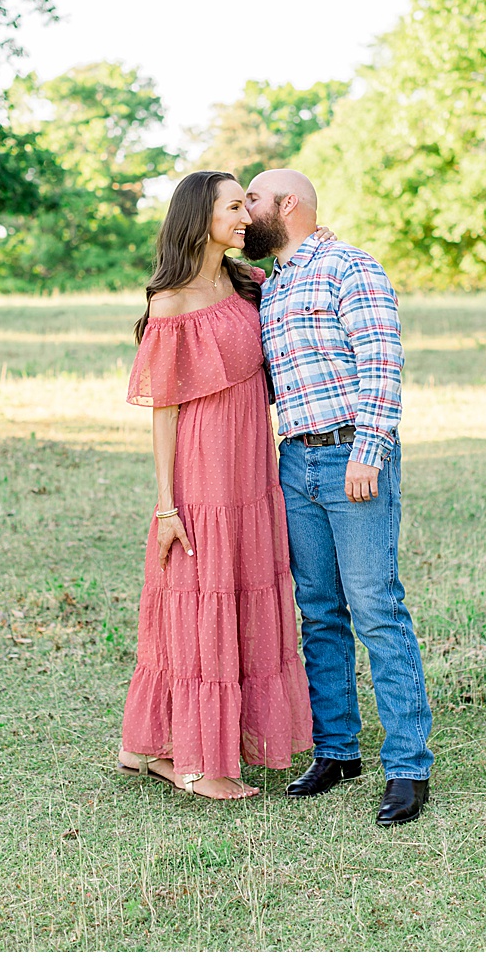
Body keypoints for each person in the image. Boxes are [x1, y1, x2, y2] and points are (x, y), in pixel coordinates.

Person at [243, 168, 434, 827]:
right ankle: (337, 750)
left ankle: (409, 765)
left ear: (288, 205)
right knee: (319, 611)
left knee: (377, 607)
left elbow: (382, 358)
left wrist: (369, 449)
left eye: (254, 201)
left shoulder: (350, 267)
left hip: (352, 452)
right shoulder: (270, 287)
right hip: (294, 460)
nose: (245, 213)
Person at [116, 171, 314, 800]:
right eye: (234, 206)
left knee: (240, 590)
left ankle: (166, 747)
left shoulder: (248, 282)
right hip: (203, 467)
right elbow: (165, 410)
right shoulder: (170, 302)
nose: (245, 217)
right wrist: (166, 504)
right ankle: (194, 760)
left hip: (252, 462)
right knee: (199, 593)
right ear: (201, 217)